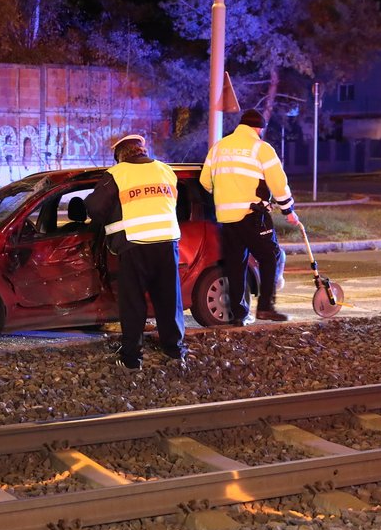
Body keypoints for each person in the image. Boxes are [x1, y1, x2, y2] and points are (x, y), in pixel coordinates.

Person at [85, 134, 186, 371]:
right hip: (167, 243)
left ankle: (132, 358)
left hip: (135, 245)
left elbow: (95, 207)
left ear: (119, 155)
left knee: (133, 304)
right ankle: (175, 352)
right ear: (143, 150)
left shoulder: (118, 174)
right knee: (170, 301)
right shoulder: (165, 170)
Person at [200, 109, 299, 325]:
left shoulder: (219, 147)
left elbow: (205, 181)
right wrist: (288, 210)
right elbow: (278, 183)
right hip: (253, 215)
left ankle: (238, 314)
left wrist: (225, 194)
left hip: (226, 218)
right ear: (259, 129)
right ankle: (265, 307)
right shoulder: (261, 148)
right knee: (270, 256)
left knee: (235, 265)